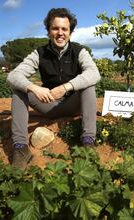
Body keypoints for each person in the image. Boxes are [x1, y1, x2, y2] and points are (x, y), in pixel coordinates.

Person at [7, 8, 101, 169]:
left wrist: (66, 87)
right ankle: (21, 148)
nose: (60, 33)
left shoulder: (79, 51)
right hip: (47, 104)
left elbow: (94, 73)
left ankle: (88, 142)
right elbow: (13, 76)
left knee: (89, 86)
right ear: (48, 31)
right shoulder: (39, 53)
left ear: (70, 32)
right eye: (55, 28)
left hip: (73, 105)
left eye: (64, 29)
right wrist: (34, 88)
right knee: (19, 90)